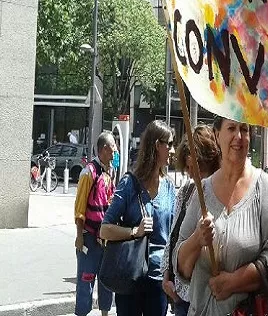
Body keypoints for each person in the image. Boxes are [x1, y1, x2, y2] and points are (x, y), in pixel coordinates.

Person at [175, 117, 268, 316]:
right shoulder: (202, 191)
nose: (238, 137)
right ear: (217, 135)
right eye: (231, 128)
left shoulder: (262, 186)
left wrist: (234, 282)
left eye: (244, 130)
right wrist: (197, 239)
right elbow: (182, 269)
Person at [101, 120, 177, 316]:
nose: (173, 150)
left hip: (159, 280)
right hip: (130, 278)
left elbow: (172, 234)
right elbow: (105, 229)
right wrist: (135, 231)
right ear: (155, 145)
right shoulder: (129, 183)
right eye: (168, 144)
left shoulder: (169, 187)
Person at [161, 125, 221, 316]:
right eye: (188, 168)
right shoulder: (185, 192)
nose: (192, 174)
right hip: (182, 297)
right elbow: (173, 237)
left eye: (198, 169)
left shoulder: (222, 192)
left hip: (211, 296)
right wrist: (166, 276)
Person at [74, 131, 117, 316]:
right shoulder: (88, 172)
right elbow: (80, 208)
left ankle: (105, 313)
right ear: (104, 149)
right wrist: (79, 237)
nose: (115, 152)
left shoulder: (109, 173)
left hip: (105, 238)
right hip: (89, 237)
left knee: (106, 280)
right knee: (86, 279)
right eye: (113, 148)